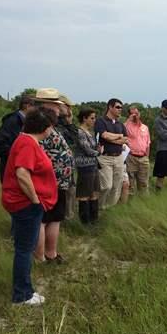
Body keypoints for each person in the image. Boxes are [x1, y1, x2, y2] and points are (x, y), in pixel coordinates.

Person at [1, 107, 58, 306]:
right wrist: (35, 200)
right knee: (25, 249)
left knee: (24, 248)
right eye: (51, 127)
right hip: (25, 204)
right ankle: (22, 295)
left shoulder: (27, 141)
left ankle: (25, 290)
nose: (51, 131)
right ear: (45, 128)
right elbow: (22, 173)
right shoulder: (27, 143)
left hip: (25, 203)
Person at [32, 89, 74, 265]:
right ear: (46, 105)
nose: (59, 108)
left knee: (54, 218)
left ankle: (51, 254)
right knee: (44, 220)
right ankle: (41, 257)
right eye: (55, 105)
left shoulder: (48, 123)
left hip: (57, 181)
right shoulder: (41, 125)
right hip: (48, 182)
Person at [0, 95, 36, 181]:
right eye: (35, 107)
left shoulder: (25, 121)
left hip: (19, 171)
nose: (36, 110)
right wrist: (16, 156)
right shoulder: (12, 121)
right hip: (11, 172)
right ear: (27, 106)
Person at [95, 98, 128, 209]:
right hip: (105, 158)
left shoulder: (120, 124)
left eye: (121, 108)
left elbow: (125, 139)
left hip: (119, 157)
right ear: (110, 107)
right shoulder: (101, 121)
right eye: (118, 107)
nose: (120, 110)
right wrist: (118, 136)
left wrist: (112, 138)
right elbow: (104, 135)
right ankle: (99, 207)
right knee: (106, 186)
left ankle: (109, 209)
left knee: (116, 186)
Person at [73, 107, 101, 224]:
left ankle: (94, 220)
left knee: (94, 192)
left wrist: (96, 149)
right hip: (85, 166)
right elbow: (87, 149)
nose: (94, 120)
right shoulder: (80, 132)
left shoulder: (90, 132)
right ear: (84, 119)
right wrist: (99, 152)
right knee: (84, 193)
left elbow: (92, 149)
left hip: (93, 165)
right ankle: (85, 222)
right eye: (92, 118)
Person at [57, 95, 79, 221]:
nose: (70, 109)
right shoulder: (54, 123)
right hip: (59, 168)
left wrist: (70, 122)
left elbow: (75, 139)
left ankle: (68, 219)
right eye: (68, 106)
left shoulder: (66, 123)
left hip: (68, 167)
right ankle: (61, 220)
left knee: (71, 192)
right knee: (63, 194)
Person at [125, 106, 151, 195]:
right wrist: (129, 120)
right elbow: (121, 130)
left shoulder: (145, 127)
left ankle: (144, 201)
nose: (135, 115)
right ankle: (130, 203)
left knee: (143, 182)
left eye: (137, 113)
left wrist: (147, 156)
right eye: (133, 114)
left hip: (143, 158)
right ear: (129, 115)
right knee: (130, 183)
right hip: (131, 157)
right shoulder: (127, 126)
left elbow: (148, 143)